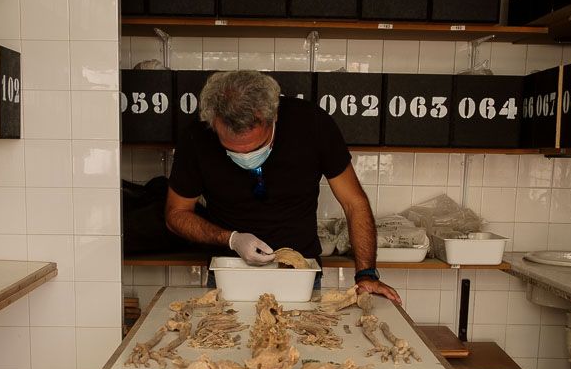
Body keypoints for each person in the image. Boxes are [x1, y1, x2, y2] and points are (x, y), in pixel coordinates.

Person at [163, 70, 401, 303]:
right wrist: (231, 239)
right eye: (232, 150)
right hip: (230, 272)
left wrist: (366, 274)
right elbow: (176, 214)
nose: (245, 156)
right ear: (213, 123)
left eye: (256, 147)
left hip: (300, 273)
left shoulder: (312, 124)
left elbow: (354, 202)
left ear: (274, 116)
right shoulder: (197, 136)